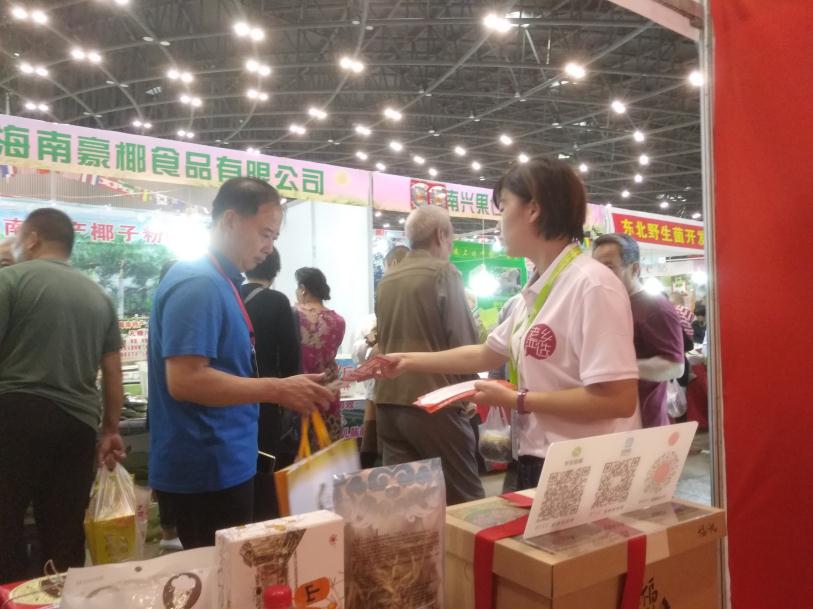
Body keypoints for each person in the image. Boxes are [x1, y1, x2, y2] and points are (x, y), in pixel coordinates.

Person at [379, 158, 640, 491]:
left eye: (503, 208)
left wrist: (518, 399)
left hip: (580, 465)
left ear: (533, 209)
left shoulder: (592, 285)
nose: (499, 220)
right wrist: (408, 361)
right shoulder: (535, 291)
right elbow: (486, 353)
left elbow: (618, 400)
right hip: (535, 457)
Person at [147, 177, 333, 549]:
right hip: (206, 468)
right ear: (230, 220)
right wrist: (278, 389)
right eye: (265, 234)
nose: (269, 247)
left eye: (274, 237)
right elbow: (185, 380)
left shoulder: (220, 281)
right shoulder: (198, 284)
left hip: (224, 460)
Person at [0, 208, 125, 581]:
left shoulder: (10, 280)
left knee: (5, 522)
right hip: (77, 425)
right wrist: (110, 429)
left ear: (32, 239)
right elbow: (113, 372)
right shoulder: (100, 296)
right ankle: (62, 595)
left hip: (14, 416)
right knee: (64, 529)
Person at [375, 205, 485, 504]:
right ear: (440, 235)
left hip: (389, 402)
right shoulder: (443, 273)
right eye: (451, 240)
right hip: (436, 402)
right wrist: (469, 391)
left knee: (405, 505)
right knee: (466, 500)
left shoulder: (388, 280)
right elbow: (465, 343)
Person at [593, 233, 685, 428]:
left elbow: (675, 366)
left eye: (609, 267)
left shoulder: (656, 307)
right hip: (610, 419)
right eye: (596, 268)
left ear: (635, 269)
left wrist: (618, 368)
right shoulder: (606, 302)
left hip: (644, 422)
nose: (600, 275)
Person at [241, 249, 301, 520]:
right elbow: (290, 357)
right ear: (276, 271)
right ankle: (266, 516)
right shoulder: (277, 301)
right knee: (267, 460)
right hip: (268, 397)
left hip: (232, 393)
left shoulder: (231, 294)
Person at [356, 245, 410, 468]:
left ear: (394, 264)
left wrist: (372, 346)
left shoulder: (389, 296)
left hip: (389, 396)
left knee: (386, 458)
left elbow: (366, 355)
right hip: (406, 396)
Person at [293, 267, 346, 441]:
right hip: (328, 391)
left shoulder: (293, 315)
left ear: (302, 289)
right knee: (327, 447)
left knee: (300, 445)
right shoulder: (338, 320)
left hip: (299, 390)